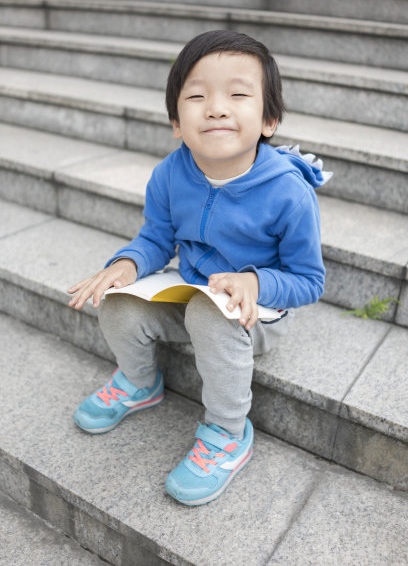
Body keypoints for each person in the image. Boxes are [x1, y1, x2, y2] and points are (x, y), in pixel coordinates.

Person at [68, 29, 329, 506]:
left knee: (214, 313)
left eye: (238, 94)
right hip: (189, 294)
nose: (216, 107)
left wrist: (254, 281)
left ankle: (228, 433)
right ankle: (140, 381)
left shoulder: (288, 192)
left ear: (268, 119)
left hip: (254, 314)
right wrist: (127, 264)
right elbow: (156, 238)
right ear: (176, 121)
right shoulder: (170, 173)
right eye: (197, 95)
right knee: (119, 302)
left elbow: (309, 281)